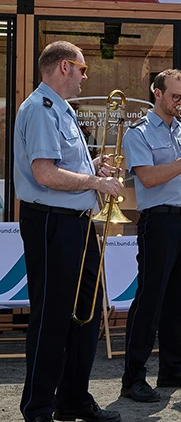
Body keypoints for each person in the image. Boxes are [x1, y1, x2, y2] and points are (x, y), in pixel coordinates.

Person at [14, 41, 122, 422]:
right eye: (82, 68)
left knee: (84, 316)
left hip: (75, 222)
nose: (84, 76)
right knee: (53, 316)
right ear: (64, 67)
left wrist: (94, 165)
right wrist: (95, 180)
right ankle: (39, 406)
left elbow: (62, 164)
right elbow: (44, 173)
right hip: (51, 221)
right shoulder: (41, 110)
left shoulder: (60, 109)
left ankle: (73, 399)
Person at [120, 69, 181, 402]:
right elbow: (147, 178)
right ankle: (133, 377)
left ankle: (171, 367)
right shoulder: (139, 132)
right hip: (158, 221)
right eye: (175, 96)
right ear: (157, 93)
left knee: (179, 299)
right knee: (151, 299)